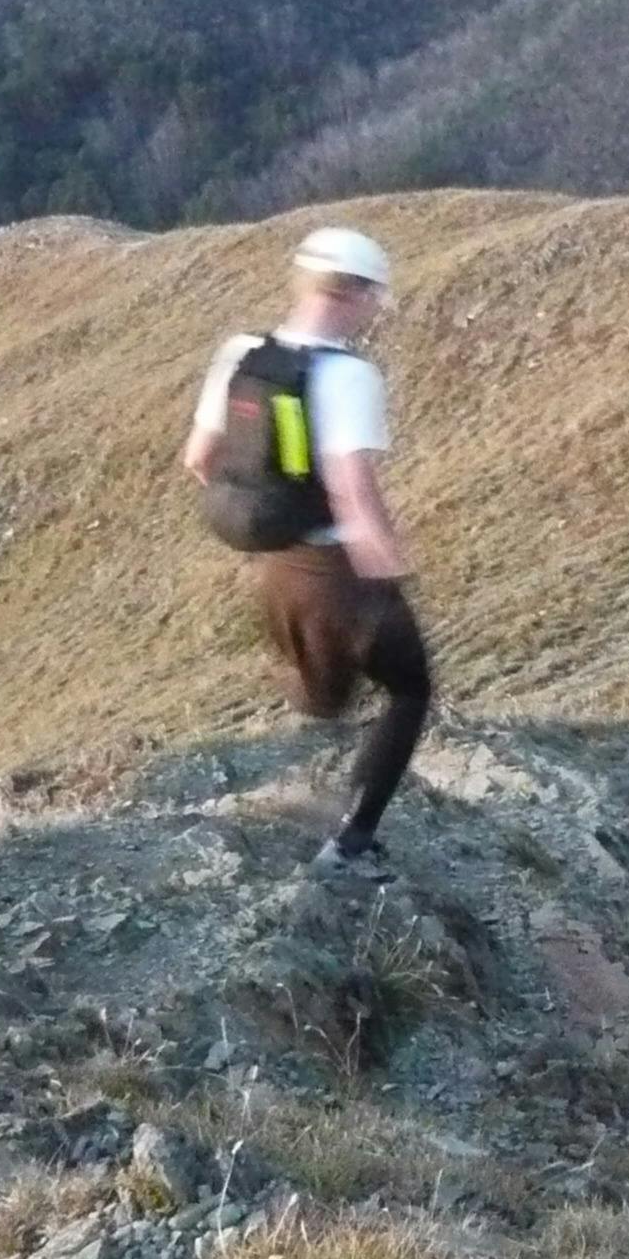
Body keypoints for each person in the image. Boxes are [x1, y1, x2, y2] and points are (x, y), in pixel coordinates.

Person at [184, 227, 431, 873]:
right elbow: (352, 492)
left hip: (276, 567)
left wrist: (271, 517)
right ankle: (349, 847)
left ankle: (287, 803)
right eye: (373, 295)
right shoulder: (347, 376)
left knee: (326, 699)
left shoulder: (241, 354)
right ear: (353, 294)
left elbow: (199, 459)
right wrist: (387, 568)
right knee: (410, 690)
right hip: (335, 570)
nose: (376, 308)